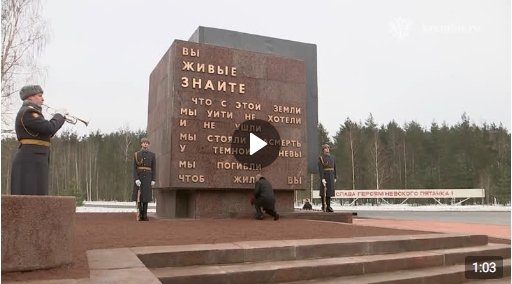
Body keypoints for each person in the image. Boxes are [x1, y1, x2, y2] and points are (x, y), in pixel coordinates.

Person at [10, 85, 68, 195]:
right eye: (40, 96)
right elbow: (49, 127)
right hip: (31, 156)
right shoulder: (29, 112)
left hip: (35, 156)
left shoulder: (32, 112)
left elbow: (47, 133)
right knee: (30, 191)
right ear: (30, 97)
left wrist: (60, 119)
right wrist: (59, 116)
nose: (43, 99)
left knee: (38, 192)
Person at [132, 137, 156, 221]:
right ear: (141, 144)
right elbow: (134, 168)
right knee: (139, 196)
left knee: (146, 196)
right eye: (144, 143)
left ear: (148, 144)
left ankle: (144, 214)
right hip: (139, 176)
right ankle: (139, 213)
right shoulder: (136, 154)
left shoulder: (152, 155)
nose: (145, 144)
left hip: (148, 177)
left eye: (146, 143)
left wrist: (153, 179)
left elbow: (154, 167)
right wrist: (136, 179)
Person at [318, 144, 337, 212]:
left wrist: (335, 177)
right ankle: (324, 206)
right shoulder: (321, 158)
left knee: (329, 192)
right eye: (326, 148)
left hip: (331, 175)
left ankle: (328, 206)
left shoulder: (332, 157)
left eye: (328, 148)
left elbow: (335, 167)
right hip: (325, 175)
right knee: (324, 192)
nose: (327, 149)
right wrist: (322, 178)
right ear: (323, 149)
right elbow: (321, 169)